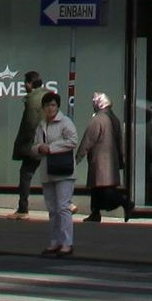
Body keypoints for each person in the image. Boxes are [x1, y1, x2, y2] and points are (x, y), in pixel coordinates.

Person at [37, 90, 84, 257]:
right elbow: (36, 145)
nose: (50, 108)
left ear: (57, 107)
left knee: (63, 206)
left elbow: (73, 141)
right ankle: (54, 242)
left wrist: (50, 148)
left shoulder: (65, 122)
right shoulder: (42, 124)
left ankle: (67, 243)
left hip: (64, 171)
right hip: (47, 170)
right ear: (43, 107)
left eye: (53, 105)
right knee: (52, 209)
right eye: (47, 105)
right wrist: (38, 148)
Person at [79, 91, 125, 224]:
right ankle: (95, 212)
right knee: (100, 189)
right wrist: (121, 161)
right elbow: (120, 141)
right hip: (111, 161)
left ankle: (124, 202)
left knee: (101, 190)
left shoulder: (99, 118)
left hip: (100, 161)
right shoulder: (114, 118)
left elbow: (89, 139)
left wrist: (78, 156)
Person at [15, 81, 52, 215]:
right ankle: (64, 204)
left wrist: (28, 145)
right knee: (53, 176)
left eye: (25, 83)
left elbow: (30, 124)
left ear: (30, 83)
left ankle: (23, 208)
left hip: (37, 145)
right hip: (51, 143)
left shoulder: (32, 100)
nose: (25, 86)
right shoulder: (49, 96)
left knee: (26, 174)